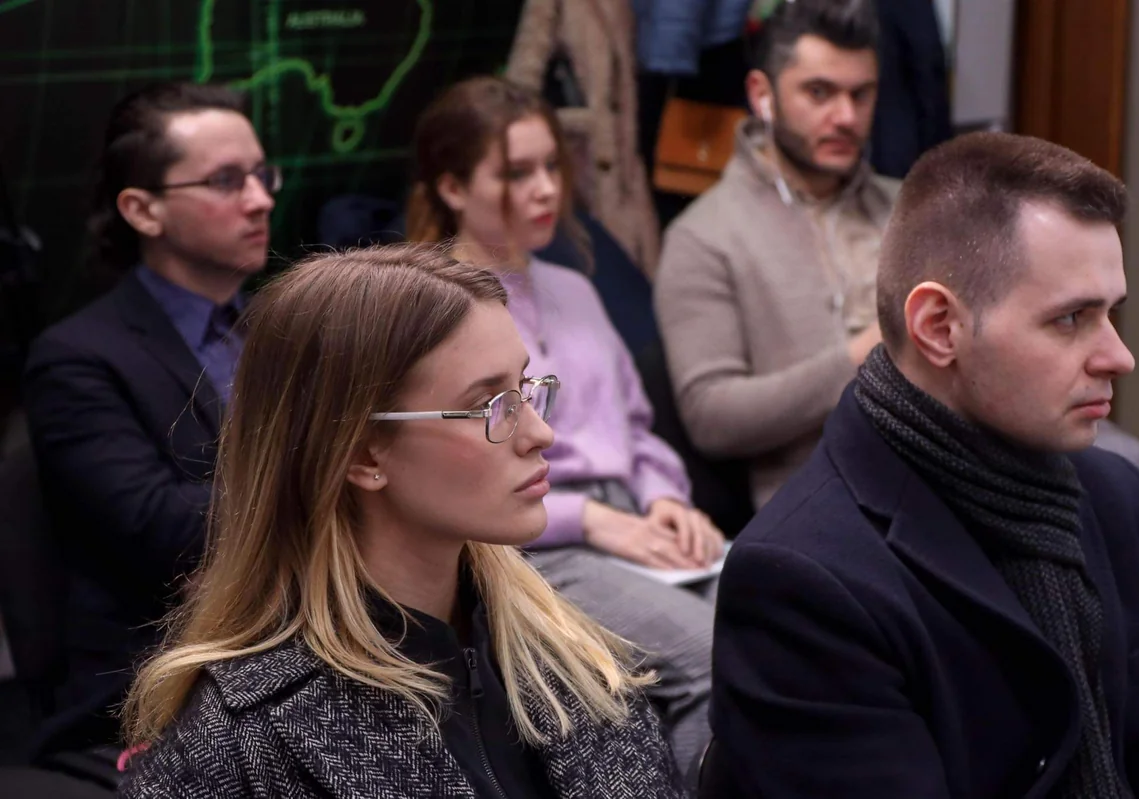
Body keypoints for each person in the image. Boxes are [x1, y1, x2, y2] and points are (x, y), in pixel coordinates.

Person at [706, 132, 1139, 797]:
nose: (1119, 356)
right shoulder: (804, 580)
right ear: (939, 327)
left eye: (1112, 313)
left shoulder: (1123, 504)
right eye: (1071, 319)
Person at [118, 245, 684, 797]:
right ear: (363, 453)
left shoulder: (574, 656)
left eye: (526, 389)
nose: (541, 433)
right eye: (490, 405)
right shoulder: (238, 742)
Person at [406, 75, 725, 773]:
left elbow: (634, 425)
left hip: (631, 517)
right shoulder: (436, 311)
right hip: (529, 542)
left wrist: (666, 498)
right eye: (516, 173)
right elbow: (463, 469)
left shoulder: (576, 288)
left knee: (780, 619)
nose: (546, 189)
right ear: (453, 188)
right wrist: (596, 520)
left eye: (552, 166)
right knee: (711, 657)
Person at [21, 82, 277, 755]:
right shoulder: (79, 357)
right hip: (162, 686)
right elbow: (160, 526)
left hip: (292, 643)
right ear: (142, 209)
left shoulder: (280, 330)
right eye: (227, 181)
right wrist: (327, 483)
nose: (260, 199)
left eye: (262, 174)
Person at [654, 0, 899, 509]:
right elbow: (711, 417)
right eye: (819, 93)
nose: (846, 117)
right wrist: (864, 356)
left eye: (861, 94)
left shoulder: (908, 208)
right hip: (821, 508)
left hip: (949, 475)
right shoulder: (705, 236)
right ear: (762, 95)